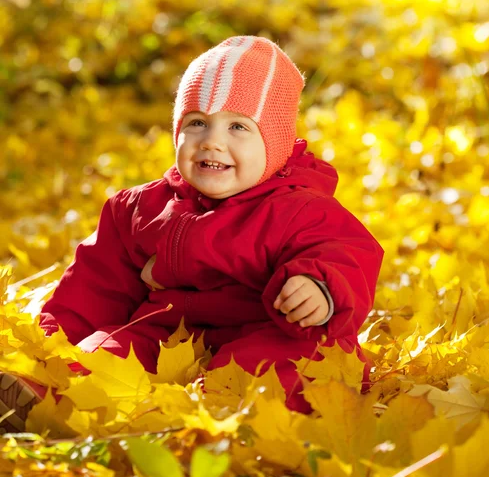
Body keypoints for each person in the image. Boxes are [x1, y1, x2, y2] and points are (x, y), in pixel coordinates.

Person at [1, 36, 384, 431]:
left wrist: (319, 287)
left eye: (238, 126)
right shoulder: (138, 210)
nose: (212, 141)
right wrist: (50, 348)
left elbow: (346, 253)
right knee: (103, 351)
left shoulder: (301, 208)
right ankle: (41, 401)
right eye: (196, 123)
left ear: (277, 145)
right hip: (163, 336)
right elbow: (94, 289)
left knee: (286, 367)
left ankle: (220, 424)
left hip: (268, 330)